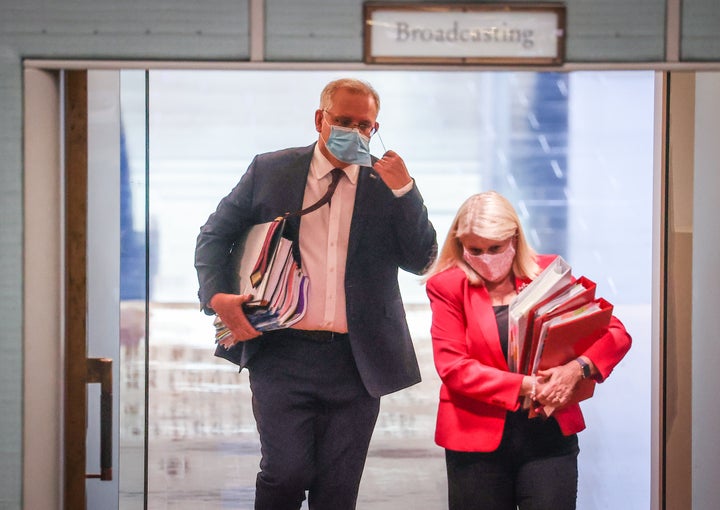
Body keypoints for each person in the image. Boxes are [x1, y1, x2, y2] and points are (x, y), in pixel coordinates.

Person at [194, 78, 437, 510]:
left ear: (375, 128)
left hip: (357, 360)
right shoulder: (271, 170)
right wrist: (216, 297)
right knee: (284, 474)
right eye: (342, 121)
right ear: (319, 119)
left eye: (364, 126)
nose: (353, 133)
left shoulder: (387, 184)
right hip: (282, 352)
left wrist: (406, 190)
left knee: (338, 490)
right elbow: (214, 236)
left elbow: (422, 258)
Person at [424, 191, 631, 510]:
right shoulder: (448, 286)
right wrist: (527, 386)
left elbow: (614, 333)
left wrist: (576, 369)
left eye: (495, 248)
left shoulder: (549, 275)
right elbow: (454, 367)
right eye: (474, 249)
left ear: (515, 239)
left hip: (548, 436)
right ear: (460, 244)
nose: (486, 258)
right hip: (475, 441)